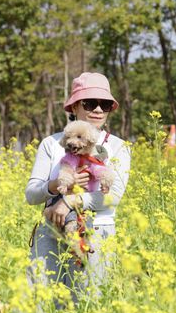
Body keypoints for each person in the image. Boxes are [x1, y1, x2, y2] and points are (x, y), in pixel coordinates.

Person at [25, 72, 131, 296]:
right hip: (50, 231)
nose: (99, 110)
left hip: (95, 234)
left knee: (86, 305)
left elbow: (114, 197)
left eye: (105, 104)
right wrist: (56, 185)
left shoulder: (119, 147)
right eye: (90, 103)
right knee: (42, 307)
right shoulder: (51, 144)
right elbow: (31, 195)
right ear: (74, 107)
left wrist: (69, 201)